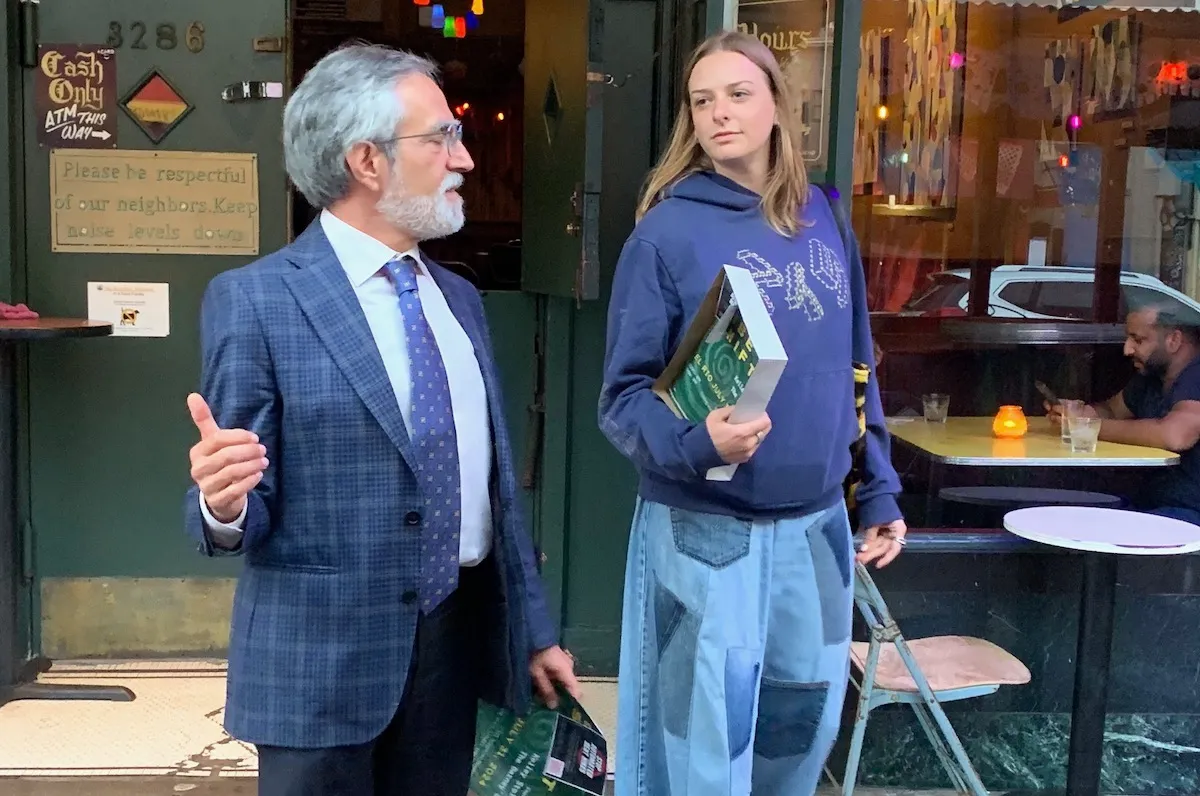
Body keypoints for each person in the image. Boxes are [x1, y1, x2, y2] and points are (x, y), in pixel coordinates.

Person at [182, 43, 578, 796]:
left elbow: (494, 494)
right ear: (367, 160)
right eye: (443, 137)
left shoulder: (459, 300)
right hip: (321, 671)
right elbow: (237, 499)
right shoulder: (259, 300)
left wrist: (533, 630)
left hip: (453, 653)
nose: (463, 159)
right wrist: (222, 501)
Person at [597, 30, 906, 796]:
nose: (718, 114)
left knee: (801, 733)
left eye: (738, 94)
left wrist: (880, 488)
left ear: (777, 105)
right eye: (702, 101)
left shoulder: (826, 217)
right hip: (708, 529)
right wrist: (699, 439)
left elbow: (859, 366)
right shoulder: (664, 234)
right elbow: (621, 400)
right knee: (702, 747)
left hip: (819, 529)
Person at [1047, 300, 1200, 524]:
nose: (1127, 349)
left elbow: (1175, 436)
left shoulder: (1196, 376)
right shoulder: (1152, 377)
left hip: (1189, 515)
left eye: (1138, 340)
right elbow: (1111, 409)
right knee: (1062, 514)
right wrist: (1083, 412)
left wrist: (1085, 427)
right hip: (1152, 503)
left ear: (1174, 340)